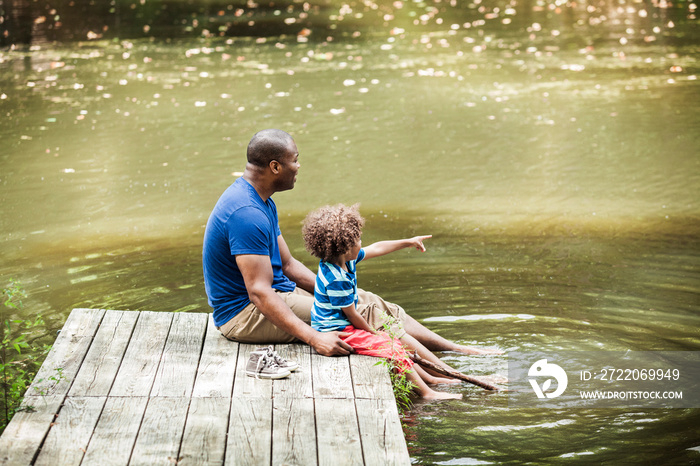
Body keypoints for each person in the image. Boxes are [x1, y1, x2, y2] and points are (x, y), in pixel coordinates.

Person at [202, 128, 501, 360]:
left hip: (276, 294)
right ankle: (440, 375)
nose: (299, 166)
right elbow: (259, 291)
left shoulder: (261, 201)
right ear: (275, 167)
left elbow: (290, 266)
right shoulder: (246, 214)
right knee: (362, 312)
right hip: (243, 316)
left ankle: (454, 350)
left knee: (365, 298)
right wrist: (314, 337)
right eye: (294, 160)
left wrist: (336, 290)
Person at [303, 203, 461, 399]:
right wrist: (372, 332)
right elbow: (351, 313)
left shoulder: (344, 260)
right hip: (335, 330)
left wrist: (409, 241)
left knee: (391, 341)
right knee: (389, 346)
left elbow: (377, 247)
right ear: (345, 247)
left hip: (342, 323)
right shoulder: (337, 278)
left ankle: (430, 379)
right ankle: (427, 393)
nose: (361, 242)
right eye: (358, 239)